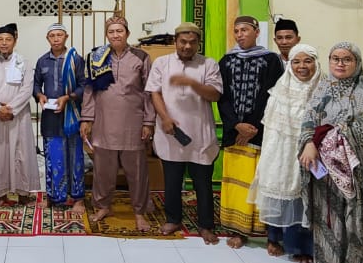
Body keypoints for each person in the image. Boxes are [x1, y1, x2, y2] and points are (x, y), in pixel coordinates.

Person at [299, 42, 363, 263]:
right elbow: (308, 123)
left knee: (353, 221)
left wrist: (341, 135)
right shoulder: (321, 89)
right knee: (328, 217)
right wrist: (309, 144)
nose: (340, 64)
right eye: (335, 58)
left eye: (347, 59)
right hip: (323, 170)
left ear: (357, 63)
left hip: (356, 172)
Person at [146, 23, 223, 243]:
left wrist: (191, 82)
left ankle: (206, 225)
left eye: (192, 42)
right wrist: (165, 118)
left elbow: (215, 94)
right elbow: (155, 93)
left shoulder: (208, 64)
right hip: (170, 130)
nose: (187, 46)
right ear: (175, 42)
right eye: (183, 42)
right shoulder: (162, 63)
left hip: (199, 133)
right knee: (172, 179)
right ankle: (173, 219)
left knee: (202, 183)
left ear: (198, 43)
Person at [82, 16, 155, 232]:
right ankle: (103, 206)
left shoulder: (141, 57)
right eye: (111, 31)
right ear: (107, 34)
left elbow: (149, 92)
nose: (115, 35)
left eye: (119, 31)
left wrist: (148, 121)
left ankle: (140, 212)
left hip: (133, 123)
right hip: (104, 123)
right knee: (103, 169)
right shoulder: (97, 57)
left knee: (137, 170)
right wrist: (87, 119)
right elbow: (89, 91)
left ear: (127, 34)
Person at [252, 43, 322, 257]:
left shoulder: (324, 89)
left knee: (307, 197)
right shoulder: (280, 89)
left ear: (316, 64)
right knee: (280, 191)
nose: (302, 66)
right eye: (296, 61)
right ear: (290, 65)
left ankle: (303, 248)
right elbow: (271, 129)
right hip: (281, 153)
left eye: (308, 61)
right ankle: (274, 239)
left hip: (313, 152)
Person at [0, 23, 39, 202]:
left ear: (15, 41)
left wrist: (11, 109)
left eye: (8, 39)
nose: (4, 43)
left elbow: (27, 89)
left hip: (18, 117)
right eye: (0, 40)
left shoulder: (24, 63)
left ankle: (23, 192)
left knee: (21, 153)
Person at [34, 22, 87, 212]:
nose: (56, 39)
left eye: (59, 35)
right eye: (52, 35)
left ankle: (78, 198)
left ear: (66, 37)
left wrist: (68, 97)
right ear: (47, 38)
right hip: (50, 118)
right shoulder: (42, 61)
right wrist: (39, 96)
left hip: (71, 116)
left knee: (75, 158)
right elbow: (36, 85)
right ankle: (53, 197)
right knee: (53, 157)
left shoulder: (76, 60)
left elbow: (83, 86)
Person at [218, 15, 284, 148]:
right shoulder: (226, 61)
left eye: (244, 30)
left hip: (260, 132)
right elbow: (222, 96)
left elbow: (270, 96)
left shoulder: (271, 60)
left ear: (257, 32)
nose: (239, 35)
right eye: (236, 31)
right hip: (233, 132)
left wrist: (250, 129)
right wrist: (236, 125)